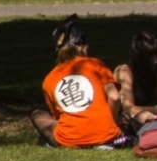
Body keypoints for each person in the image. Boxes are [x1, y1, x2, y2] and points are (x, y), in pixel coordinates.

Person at [30, 14, 127, 148]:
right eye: (86, 45)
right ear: (79, 46)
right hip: (107, 136)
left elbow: (57, 117)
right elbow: (115, 97)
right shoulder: (96, 64)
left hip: (68, 140)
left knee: (37, 115)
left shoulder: (49, 79)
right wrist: (112, 121)